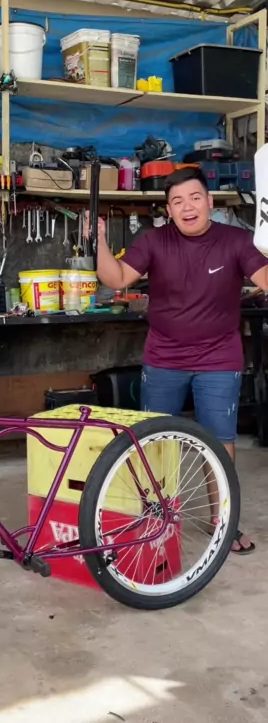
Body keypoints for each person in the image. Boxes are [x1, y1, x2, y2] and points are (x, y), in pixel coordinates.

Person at [91, 166, 268, 554]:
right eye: (177, 201)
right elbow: (116, 279)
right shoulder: (154, 241)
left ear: (209, 201)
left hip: (219, 358)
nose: (187, 207)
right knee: (155, 443)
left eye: (195, 198)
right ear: (168, 210)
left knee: (218, 444)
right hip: (164, 358)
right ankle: (154, 519)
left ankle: (223, 523)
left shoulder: (237, 241)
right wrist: (99, 241)